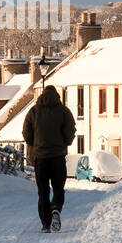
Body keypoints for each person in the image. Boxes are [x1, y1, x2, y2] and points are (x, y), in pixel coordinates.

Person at [21, 85, 76, 233]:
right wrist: (65, 142)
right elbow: (70, 131)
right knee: (59, 189)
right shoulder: (64, 111)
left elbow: (26, 132)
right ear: (57, 96)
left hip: (41, 159)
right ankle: (56, 208)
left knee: (43, 192)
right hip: (58, 157)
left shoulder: (34, 111)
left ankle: (46, 224)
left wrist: (34, 145)